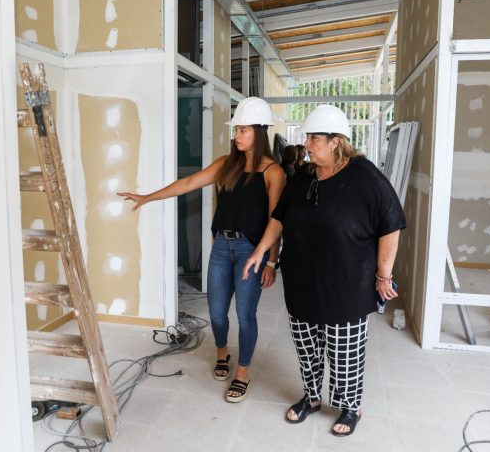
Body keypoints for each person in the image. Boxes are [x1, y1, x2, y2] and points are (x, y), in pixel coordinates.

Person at [242, 104, 405, 436]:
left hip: (347, 284)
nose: (308, 142)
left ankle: (350, 405)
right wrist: (261, 252)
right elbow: (279, 218)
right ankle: (311, 397)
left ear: (336, 141)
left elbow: (391, 224)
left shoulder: (364, 175)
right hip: (303, 281)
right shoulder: (303, 176)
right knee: (307, 347)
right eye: (308, 137)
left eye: (315, 137)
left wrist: (384, 274)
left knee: (345, 352)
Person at [118, 97, 285, 403]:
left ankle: (243, 373)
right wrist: (147, 197)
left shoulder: (274, 172)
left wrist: (271, 262)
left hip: (252, 251)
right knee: (217, 312)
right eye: (236, 129)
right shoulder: (226, 164)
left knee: (245, 315)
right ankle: (223, 353)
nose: (236, 135)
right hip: (222, 246)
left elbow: (277, 220)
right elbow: (189, 183)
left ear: (259, 132)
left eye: (243, 130)